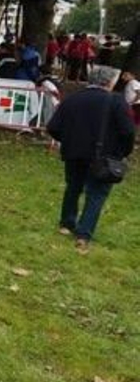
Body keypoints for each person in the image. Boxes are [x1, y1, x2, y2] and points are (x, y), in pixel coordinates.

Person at [47, 64, 134, 248]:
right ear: (110, 82)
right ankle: (83, 234)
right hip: (104, 155)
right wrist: (122, 152)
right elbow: (127, 131)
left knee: (73, 188)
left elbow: (53, 127)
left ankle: (67, 223)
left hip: (74, 153)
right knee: (96, 194)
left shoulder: (73, 99)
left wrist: (68, 140)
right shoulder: (117, 101)